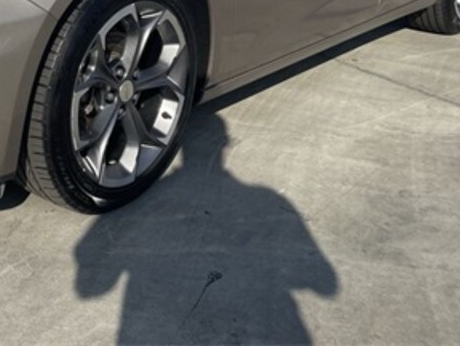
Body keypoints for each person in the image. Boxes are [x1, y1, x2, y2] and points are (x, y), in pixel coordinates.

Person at [74, 112, 337, 344]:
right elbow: (325, 284)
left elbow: (90, 288)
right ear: (224, 145)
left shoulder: (154, 198)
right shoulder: (267, 200)